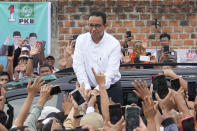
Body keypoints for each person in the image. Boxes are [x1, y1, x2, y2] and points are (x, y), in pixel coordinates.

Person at [73, 10, 123, 104]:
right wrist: (87, 88)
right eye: (91, 25)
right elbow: (78, 65)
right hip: (87, 90)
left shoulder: (114, 44)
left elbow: (111, 72)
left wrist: (97, 90)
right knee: (86, 118)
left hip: (110, 89)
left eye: (97, 26)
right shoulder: (81, 40)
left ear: (105, 26)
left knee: (112, 118)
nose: (93, 29)